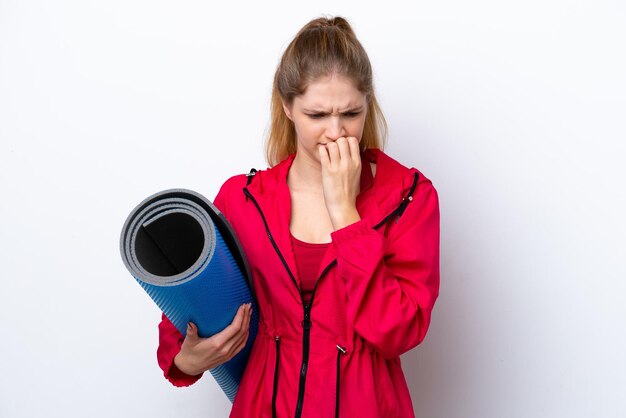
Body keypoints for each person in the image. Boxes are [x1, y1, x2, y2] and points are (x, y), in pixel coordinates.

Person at [156, 15, 440, 418]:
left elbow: (400, 331)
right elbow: (184, 318)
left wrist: (346, 215)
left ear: (368, 105)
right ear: (288, 107)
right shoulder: (243, 199)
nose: (337, 132)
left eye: (351, 114)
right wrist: (186, 360)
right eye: (317, 115)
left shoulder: (410, 197)